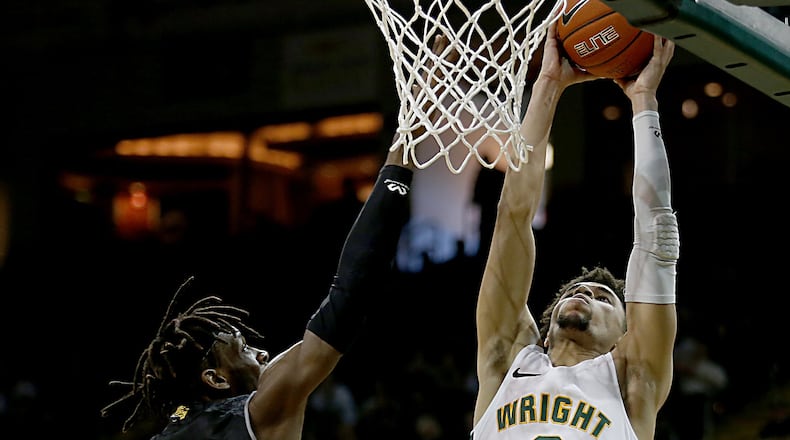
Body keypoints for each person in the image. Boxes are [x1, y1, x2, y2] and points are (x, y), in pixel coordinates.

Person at [98, 35, 463, 440]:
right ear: (216, 380)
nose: (264, 354)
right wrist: (405, 143)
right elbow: (349, 295)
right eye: (245, 350)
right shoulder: (257, 411)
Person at [470, 23, 678, 440]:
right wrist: (548, 84)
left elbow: (655, 242)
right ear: (542, 332)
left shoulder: (630, 382)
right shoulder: (507, 361)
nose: (584, 292)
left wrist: (644, 103)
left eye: (605, 298)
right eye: (577, 291)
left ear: (625, 336)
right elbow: (512, 216)